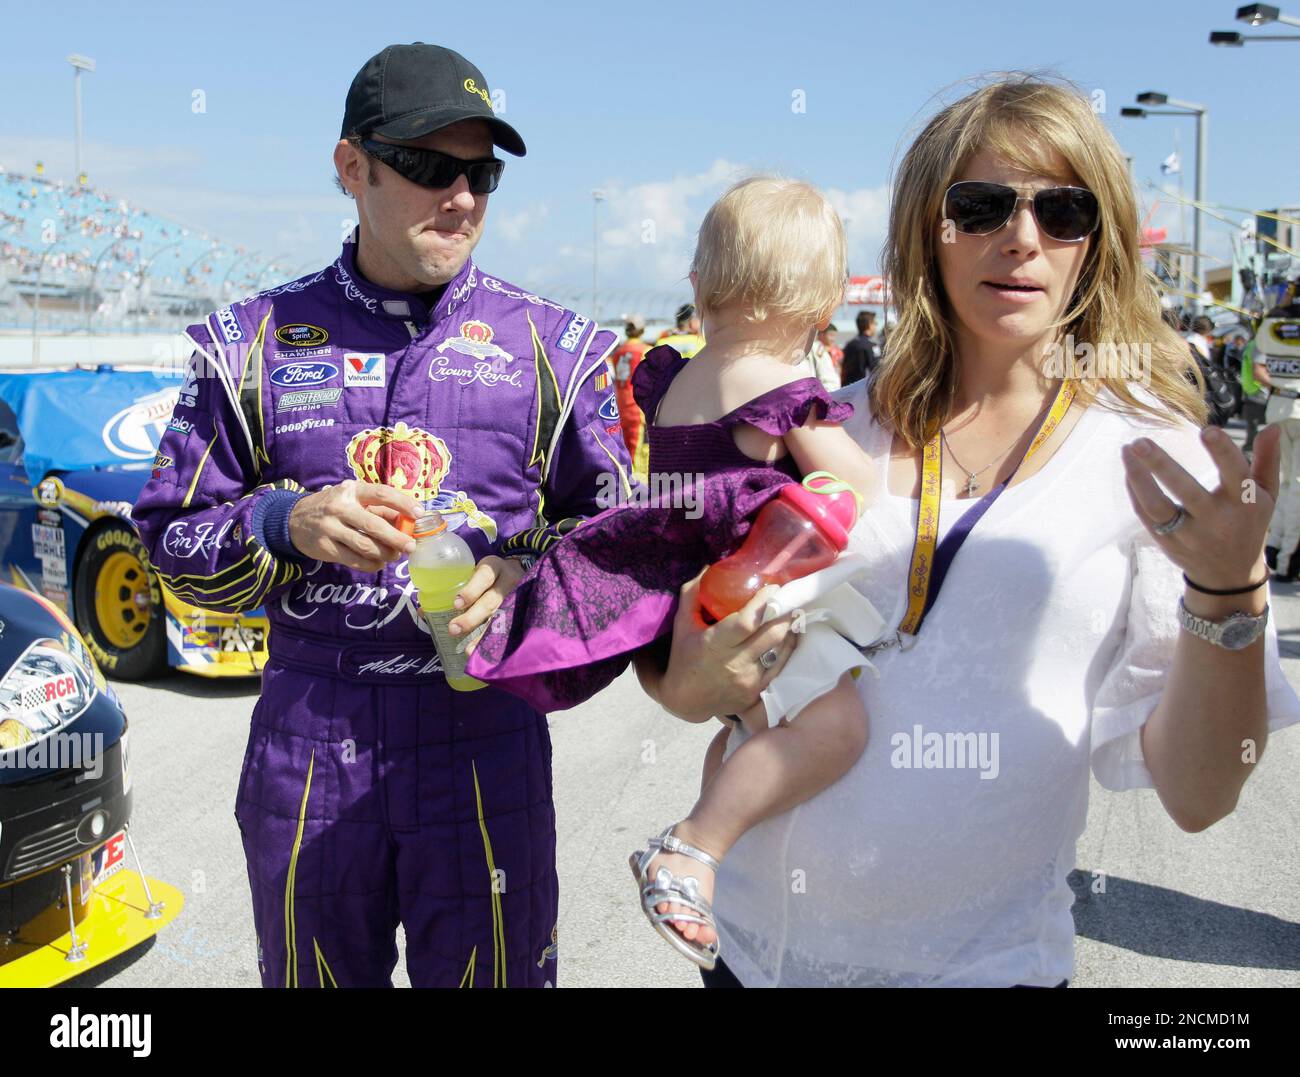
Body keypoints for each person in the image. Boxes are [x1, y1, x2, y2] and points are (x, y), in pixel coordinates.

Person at [635, 76, 1300, 988]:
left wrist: (1231, 590)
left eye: (1062, 210)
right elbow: (688, 640)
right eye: (981, 205)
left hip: (991, 968)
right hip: (757, 956)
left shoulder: (1152, 457)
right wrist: (690, 680)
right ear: (925, 230)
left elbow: (1200, 793)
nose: (1021, 237)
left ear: (1094, 243)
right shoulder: (823, 423)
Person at [132, 42, 632, 988]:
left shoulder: (555, 349)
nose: (462, 196)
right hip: (311, 735)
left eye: (481, 172)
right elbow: (167, 541)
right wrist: (283, 521)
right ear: (351, 167)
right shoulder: (252, 343)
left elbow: (620, 547)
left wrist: (527, 578)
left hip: (484, 732)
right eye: (429, 166)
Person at [467, 177, 877, 969]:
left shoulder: (678, 379)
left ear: (701, 282)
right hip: (753, 594)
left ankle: (706, 849)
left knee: (748, 728)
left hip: (686, 603)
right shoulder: (777, 389)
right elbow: (859, 489)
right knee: (840, 722)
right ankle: (692, 846)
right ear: (815, 299)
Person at [611, 313, 653, 476]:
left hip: (621, 405)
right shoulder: (646, 351)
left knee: (625, 446)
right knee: (639, 450)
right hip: (638, 406)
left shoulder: (618, 352)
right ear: (642, 330)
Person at [840, 309, 879, 385]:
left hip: (847, 388)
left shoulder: (849, 344)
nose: (876, 326)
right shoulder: (871, 346)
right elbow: (876, 370)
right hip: (863, 389)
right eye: (875, 323)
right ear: (870, 325)